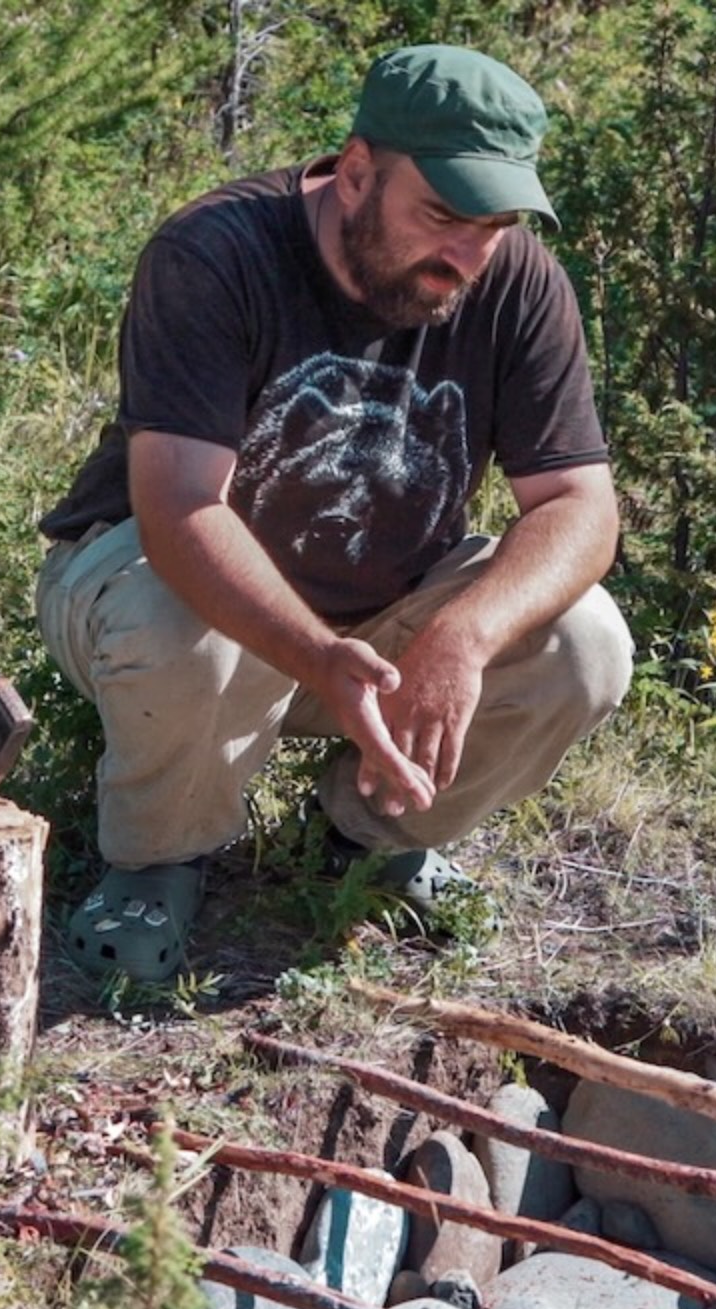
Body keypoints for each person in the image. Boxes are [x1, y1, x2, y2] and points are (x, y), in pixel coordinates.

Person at [33, 44, 633, 981]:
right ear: (356, 173)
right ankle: (156, 860)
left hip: (379, 629)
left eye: (495, 224)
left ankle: (360, 839)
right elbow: (181, 509)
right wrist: (318, 656)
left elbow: (579, 505)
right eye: (443, 215)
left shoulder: (517, 282)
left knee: (584, 644)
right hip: (150, 592)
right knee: (185, 625)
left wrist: (463, 635)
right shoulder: (216, 254)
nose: (467, 255)